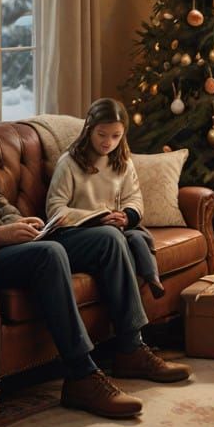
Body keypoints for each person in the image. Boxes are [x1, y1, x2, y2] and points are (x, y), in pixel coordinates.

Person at [0, 67, 190, 420]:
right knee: (50, 253)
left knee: (108, 238)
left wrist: (16, 221)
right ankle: (81, 375)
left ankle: (131, 348)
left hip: (8, 240)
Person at [47, 98, 166, 300]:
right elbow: (55, 208)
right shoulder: (69, 163)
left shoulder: (123, 161)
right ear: (89, 129)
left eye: (115, 136)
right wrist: (95, 217)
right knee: (119, 240)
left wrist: (127, 216)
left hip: (115, 230)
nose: (107, 142)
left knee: (138, 237)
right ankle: (133, 322)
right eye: (101, 135)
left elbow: (133, 197)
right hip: (80, 233)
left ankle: (151, 278)